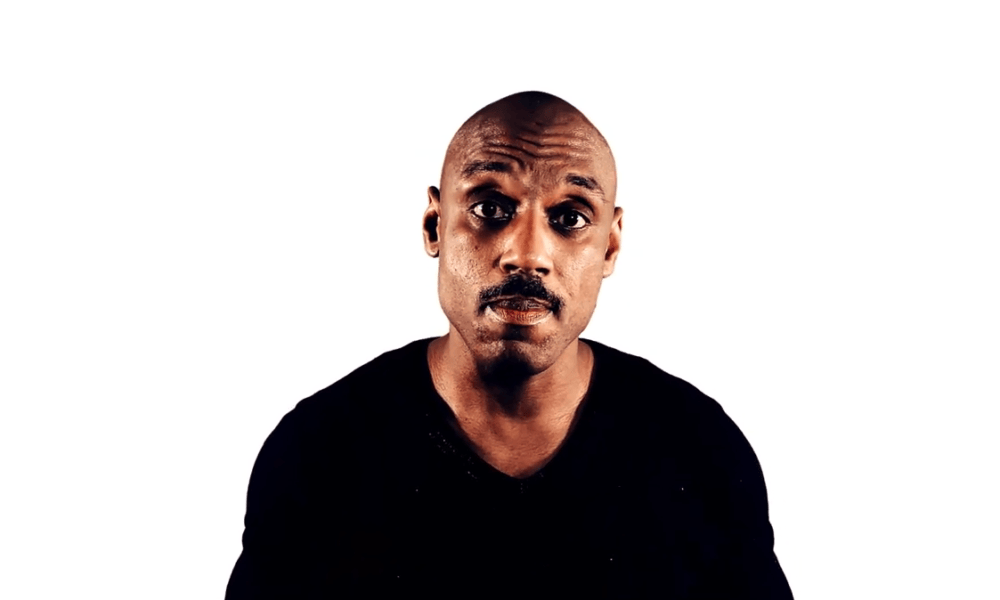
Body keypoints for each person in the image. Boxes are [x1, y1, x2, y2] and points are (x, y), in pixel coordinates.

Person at [225, 91, 793, 598]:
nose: (526, 254)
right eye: (490, 210)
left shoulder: (697, 448)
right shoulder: (321, 452)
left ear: (611, 247)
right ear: (434, 226)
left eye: (570, 218)